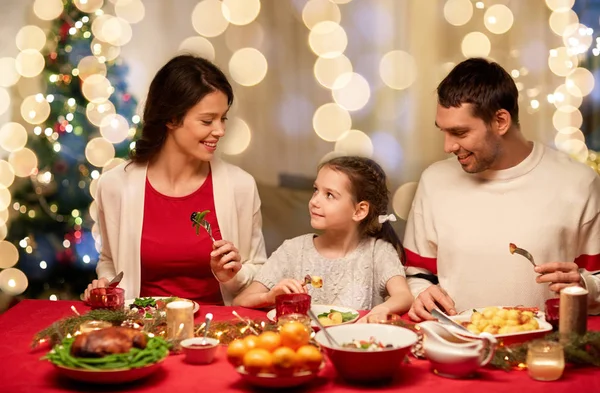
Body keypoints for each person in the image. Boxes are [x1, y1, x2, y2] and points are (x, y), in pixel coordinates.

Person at [404, 57, 600, 321]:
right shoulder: (434, 181)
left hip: (544, 353)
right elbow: (417, 275)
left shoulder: (578, 182)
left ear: (500, 121)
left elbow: (595, 280)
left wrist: (586, 286)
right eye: (444, 132)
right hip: (459, 348)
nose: (448, 146)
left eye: (460, 133)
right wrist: (421, 292)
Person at [83, 55, 267, 305]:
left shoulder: (240, 187)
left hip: (215, 332)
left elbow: (259, 270)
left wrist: (231, 275)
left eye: (223, 118)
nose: (220, 131)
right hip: (141, 332)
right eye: (207, 120)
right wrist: (106, 284)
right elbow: (109, 261)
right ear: (170, 118)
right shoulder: (115, 185)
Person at [233, 156, 413, 320]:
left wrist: (381, 310)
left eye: (329, 195)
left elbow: (403, 296)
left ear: (359, 211)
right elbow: (240, 301)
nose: (314, 201)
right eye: (315, 190)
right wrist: (270, 296)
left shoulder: (378, 252)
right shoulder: (293, 250)